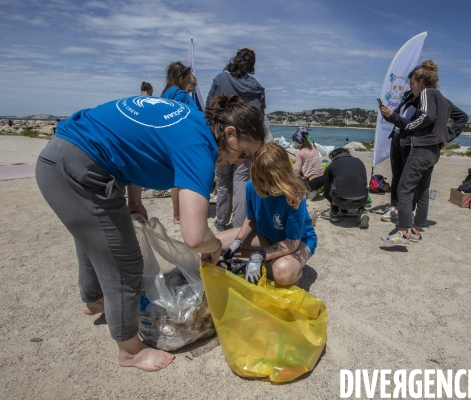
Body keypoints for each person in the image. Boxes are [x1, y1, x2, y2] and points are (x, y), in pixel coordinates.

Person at [35, 94, 265, 372]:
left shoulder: (194, 120)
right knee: (125, 262)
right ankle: (130, 352)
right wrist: (214, 247)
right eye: (244, 154)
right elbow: (194, 236)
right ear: (230, 133)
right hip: (77, 170)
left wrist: (134, 201)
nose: (241, 163)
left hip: (66, 155)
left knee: (96, 238)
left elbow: (138, 146)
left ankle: (95, 301)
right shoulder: (198, 148)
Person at [381, 60, 467, 246]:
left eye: (411, 82)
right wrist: (447, 136)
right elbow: (462, 117)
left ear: (420, 81)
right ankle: (416, 230)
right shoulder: (442, 98)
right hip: (433, 150)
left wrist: (410, 127)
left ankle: (403, 232)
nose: (410, 86)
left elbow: (427, 116)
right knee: (422, 190)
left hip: (422, 148)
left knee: (404, 188)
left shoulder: (427, 92)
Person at [217, 143, 316, 286]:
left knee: (281, 273)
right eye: (261, 181)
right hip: (267, 235)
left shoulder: (294, 195)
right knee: (216, 245)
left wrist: (260, 255)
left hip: (298, 242)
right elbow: (251, 219)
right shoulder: (251, 186)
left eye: (272, 182)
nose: (265, 187)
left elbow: (292, 243)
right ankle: (271, 259)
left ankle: (294, 268)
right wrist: (238, 241)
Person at [207, 48, 266, 232]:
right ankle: (239, 226)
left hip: (222, 139)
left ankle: (221, 221)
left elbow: (208, 110)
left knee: (223, 180)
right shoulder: (256, 87)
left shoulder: (220, 79)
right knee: (241, 182)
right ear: (252, 65)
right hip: (246, 141)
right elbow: (260, 118)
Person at [158, 62, 199, 219]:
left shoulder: (166, 92)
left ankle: (176, 214)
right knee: (184, 179)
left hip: (167, 140)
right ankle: (183, 214)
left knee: (175, 180)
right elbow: (184, 118)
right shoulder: (181, 94)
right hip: (182, 140)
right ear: (181, 76)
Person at [378, 67, 420, 222]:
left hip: (408, 141)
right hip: (396, 138)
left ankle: (409, 208)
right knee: (396, 176)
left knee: (407, 177)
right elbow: (397, 118)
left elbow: (413, 124)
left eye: (412, 82)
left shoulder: (424, 100)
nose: (410, 85)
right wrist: (387, 114)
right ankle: (394, 207)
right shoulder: (408, 96)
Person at [320, 148, 370, 229]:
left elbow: (326, 189)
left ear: (333, 156)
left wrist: (334, 203)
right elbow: (364, 182)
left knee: (334, 183)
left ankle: (334, 213)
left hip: (340, 200)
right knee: (358, 184)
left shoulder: (333, 164)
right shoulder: (359, 161)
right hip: (361, 200)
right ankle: (362, 211)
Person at [292, 127, 325, 201]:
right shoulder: (313, 148)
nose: (294, 143)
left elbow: (297, 170)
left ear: (298, 141)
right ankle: (312, 190)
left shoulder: (299, 152)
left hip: (313, 181)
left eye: (294, 141)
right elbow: (310, 161)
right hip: (322, 179)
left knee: (294, 176)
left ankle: (309, 192)